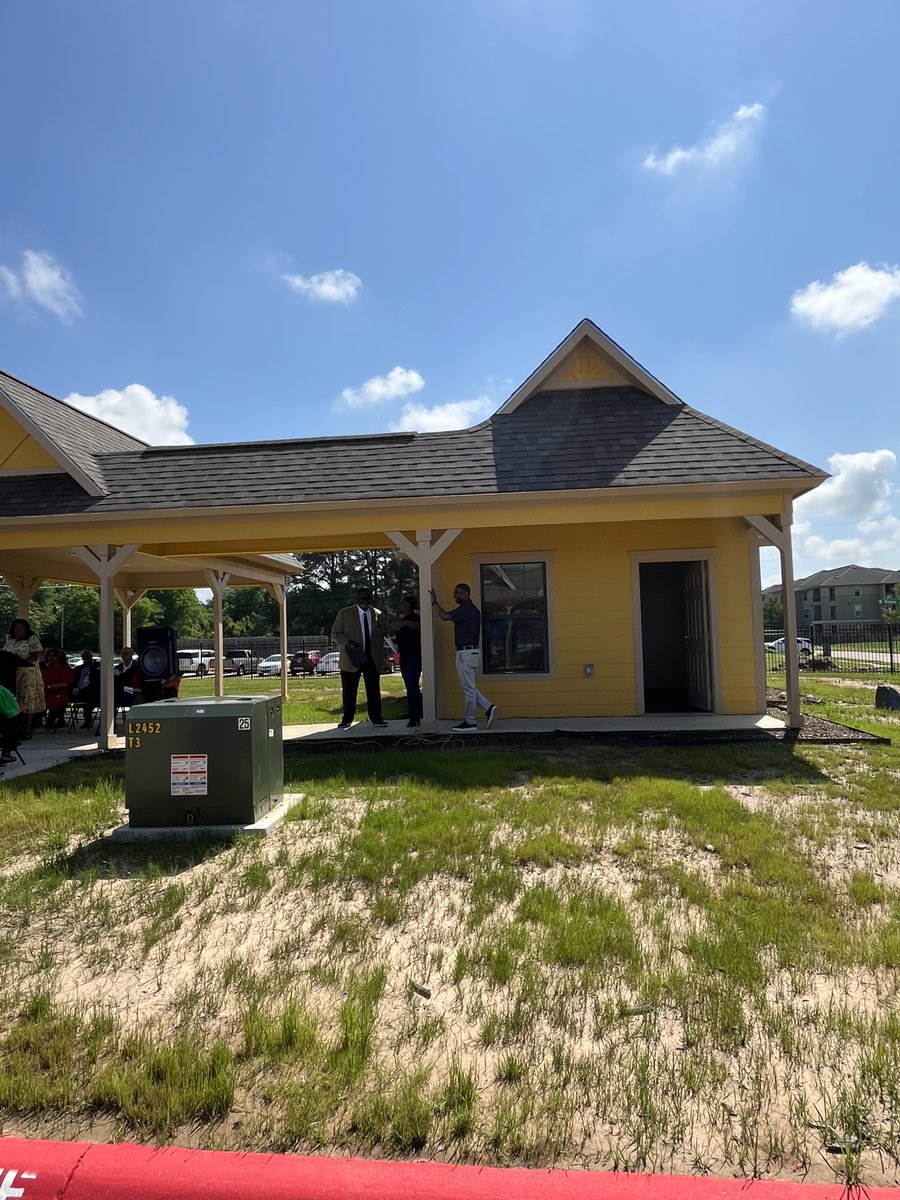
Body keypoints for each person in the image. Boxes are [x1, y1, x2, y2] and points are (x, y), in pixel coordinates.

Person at [429, 583, 497, 732]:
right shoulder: (467, 609)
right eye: (455, 593)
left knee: (468, 689)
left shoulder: (467, 609)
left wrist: (434, 602)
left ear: (467, 593)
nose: (455, 596)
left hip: (467, 653)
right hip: (466, 652)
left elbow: (444, 616)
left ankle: (470, 722)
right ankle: (488, 707)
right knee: (468, 687)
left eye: (458, 593)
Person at [330, 587, 388, 729]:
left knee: (373, 690)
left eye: (368, 598)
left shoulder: (379, 614)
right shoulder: (345, 613)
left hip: (371, 658)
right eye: (363, 598)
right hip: (351, 658)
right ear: (357, 599)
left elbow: (384, 633)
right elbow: (335, 633)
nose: (366, 601)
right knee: (349, 691)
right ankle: (347, 719)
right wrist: (347, 643)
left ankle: (376, 719)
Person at [3, 618, 45, 739]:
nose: (18, 630)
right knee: (12, 698)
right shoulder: (10, 641)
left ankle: (27, 728)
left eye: (21, 628)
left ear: (26, 629)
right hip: (12, 673)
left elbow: (36, 655)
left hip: (28, 673)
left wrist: (22, 662)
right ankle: (13, 726)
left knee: (27, 699)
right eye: (16, 628)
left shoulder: (32, 639)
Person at [393, 595, 422, 728]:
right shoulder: (402, 620)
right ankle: (413, 714)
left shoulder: (415, 618)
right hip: (404, 656)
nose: (400, 606)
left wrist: (404, 624)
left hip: (414, 657)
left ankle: (416, 716)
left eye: (402, 603)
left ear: (409, 606)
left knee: (413, 686)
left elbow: (419, 626)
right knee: (408, 686)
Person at [41, 647, 75, 730]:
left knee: (50, 701)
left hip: (60, 693)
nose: (50, 658)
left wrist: (49, 687)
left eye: (53, 656)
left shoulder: (67, 670)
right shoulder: (44, 669)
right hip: (45, 693)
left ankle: (55, 720)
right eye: (49, 656)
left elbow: (65, 684)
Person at [70, 649, 101, 729]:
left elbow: (97, 683)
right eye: (84, 657)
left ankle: (88, 720)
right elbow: (74, 681)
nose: (86, 659)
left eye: (87, 657)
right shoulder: (78, 668)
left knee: (89, 696)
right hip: (79, 690)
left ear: (91, 657)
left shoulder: (98, 667)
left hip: (92, 691)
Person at [0, 683, 20, 766]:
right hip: (10, 715)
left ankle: (6, 753)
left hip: (8, 715)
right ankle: (6, 753)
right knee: (11, 731)